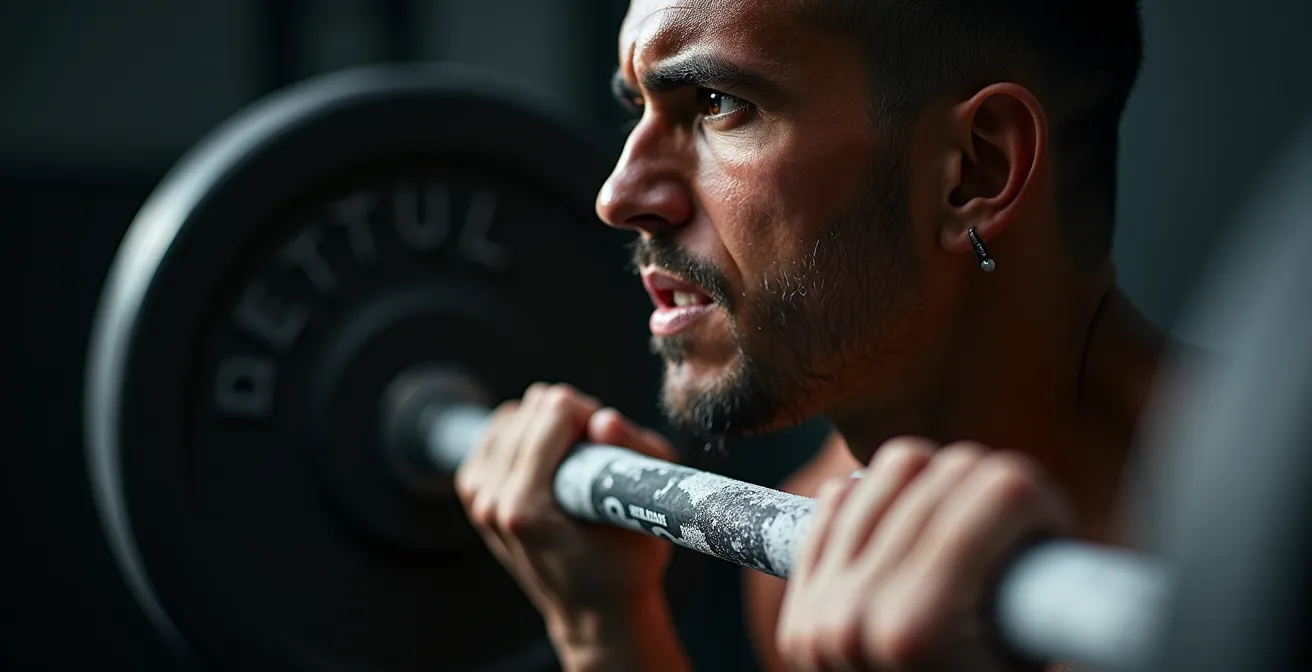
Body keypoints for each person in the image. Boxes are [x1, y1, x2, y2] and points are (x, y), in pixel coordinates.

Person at [453, 0, 1164, 670]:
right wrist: (605, 626)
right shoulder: (814, 543)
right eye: (637, 108)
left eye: (716, 103)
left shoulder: (1256, 544)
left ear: (975, 169)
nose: (619, 196)